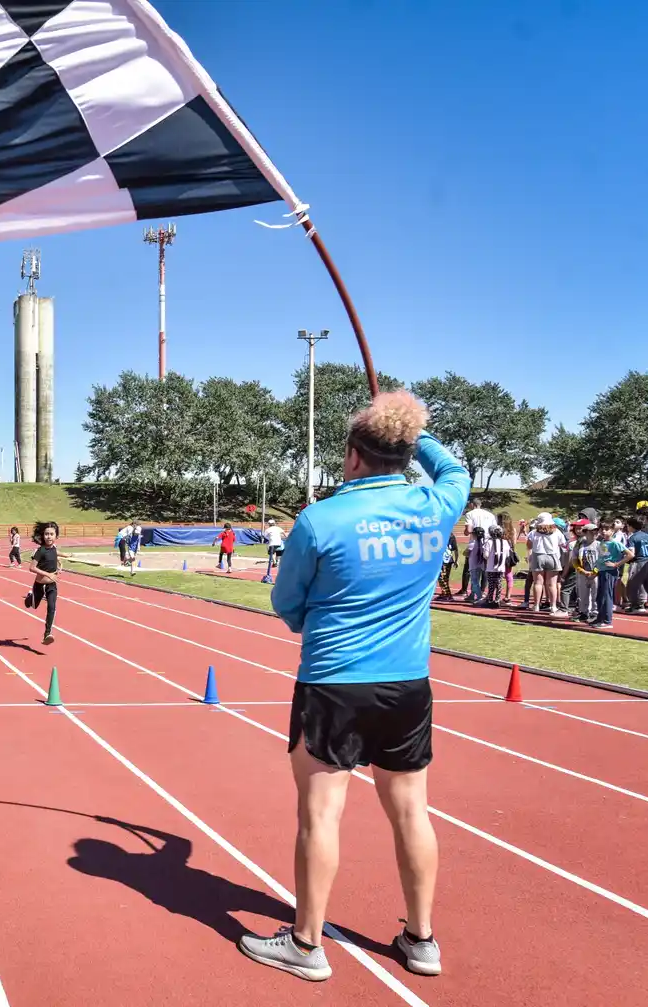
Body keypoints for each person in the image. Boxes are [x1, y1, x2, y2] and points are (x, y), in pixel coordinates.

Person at [240, 390, 465, 982]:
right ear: (404, 452)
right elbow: (454, 468)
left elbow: (287, 605)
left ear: (354, 456)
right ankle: (422, 941)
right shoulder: (437, 504)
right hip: (406, 685)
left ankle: (307, 945)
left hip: (334, 685)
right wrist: (413, 436)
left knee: (320, 817)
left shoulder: (319, 520)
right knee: (413, 812)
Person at [22, 521, 60, 645]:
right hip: (39, 585)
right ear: (43, 536)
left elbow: (54, 555)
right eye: (46, 534)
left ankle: (47, 634)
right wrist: (48, 574)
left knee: (52, 607)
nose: (49, 536)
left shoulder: (54, 548)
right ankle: (29, 598)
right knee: (33, 606)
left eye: (51, 534)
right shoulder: (41, 550)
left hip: (52, 585)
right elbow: (31, 568)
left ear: (56, 536)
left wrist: (59, 563)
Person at [592, 522, 625, 629]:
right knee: (600, 596)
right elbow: (602, 557)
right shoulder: (602, 542)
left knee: (607, 596)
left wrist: (616, 564)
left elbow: (630, 554)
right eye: (602, 529)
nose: (603, 531)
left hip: (609, 572)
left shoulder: (615, 543)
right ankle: (600, 618)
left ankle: (607, 621)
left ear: (612, 530)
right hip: (601, 571)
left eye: (606, 529)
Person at [624, 516, 648, 614]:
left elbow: (632, 553)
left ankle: (636, 606)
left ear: (631, 526)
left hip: (639, 562)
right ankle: (640, 604)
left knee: (632, 584)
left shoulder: (633, 537)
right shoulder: (647, 535)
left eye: (627, 525)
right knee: (647, 584)